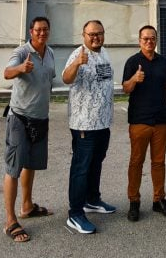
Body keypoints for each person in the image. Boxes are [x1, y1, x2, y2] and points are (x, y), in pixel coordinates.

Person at [1, 17, 57, 243]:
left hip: (40, 118)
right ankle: (10, 220)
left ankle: (27, 206)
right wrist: (20, 68)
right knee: (13, 167)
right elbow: (6, 72)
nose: (42, 33)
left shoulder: (50, 53)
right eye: (38, 30)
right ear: (30, 32)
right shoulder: (22, 52)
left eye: (45, 30)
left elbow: (49, 80)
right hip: (20, 119)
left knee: (31, 164)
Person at [62, 20, 118, 234]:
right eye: (92, 34)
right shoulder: (78, 53)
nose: (96, 37)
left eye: (100, 33)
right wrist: (77, 63)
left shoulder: (104, 53)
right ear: (83, 34)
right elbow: (66, 78)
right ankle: (75, 213)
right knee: (81, 168)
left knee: (96, 163)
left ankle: (92, 200)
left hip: (103, 122)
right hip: (84, 123)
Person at [121, 25, 166, 221]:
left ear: (156, 40)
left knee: (159, 162)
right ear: (139, 41)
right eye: (145, 38)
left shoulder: (163, 62)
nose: (149, 41)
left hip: (161, 120)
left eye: (152, 38)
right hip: (139, 121)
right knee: (136, 162)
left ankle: (159, 199)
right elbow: (125, 89)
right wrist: (134, 79)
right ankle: (134, 201)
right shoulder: (132, 62)